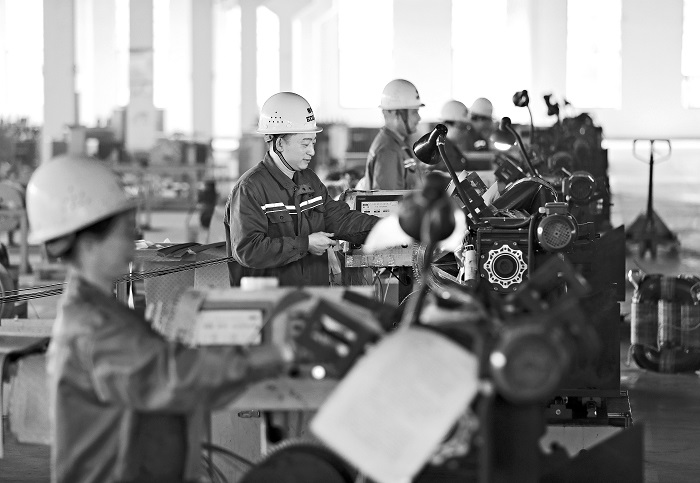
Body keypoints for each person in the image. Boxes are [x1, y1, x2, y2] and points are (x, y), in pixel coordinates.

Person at [25, 155, 297, 483]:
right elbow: (175, 376)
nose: (132, 246)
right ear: (89, 243)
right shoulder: (94, 326)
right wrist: (272, 355)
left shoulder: (100, 311)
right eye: (124, 233)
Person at [225, 92, 379, 287]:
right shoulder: (250, 189)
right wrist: (305, 244)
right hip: (270, 301)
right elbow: (248, 250)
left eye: (313, 143)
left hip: (312, 298)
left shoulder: (310, 181)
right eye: (305, 144)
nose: (312, 151)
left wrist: (391, 227)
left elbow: (341, 220)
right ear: (280, 143)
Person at [362, 79, 424, 190]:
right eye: (414, 112)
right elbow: (388, 199)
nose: (418, 118)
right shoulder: (389, 150)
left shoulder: (396, 145)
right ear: (396, 113)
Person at [430, 100, 472, 175]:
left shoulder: (450, 146)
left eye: (467, 127)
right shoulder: (442, 150)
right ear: (446, 125)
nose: (466, 131)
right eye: (462, 127)